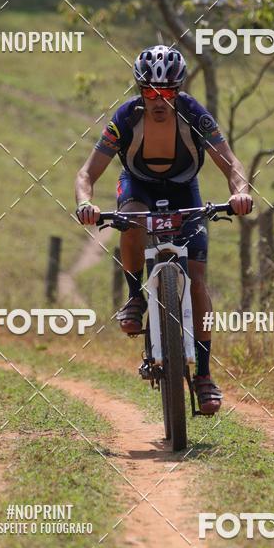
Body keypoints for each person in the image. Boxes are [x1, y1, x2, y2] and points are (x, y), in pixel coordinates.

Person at [75, 45, 253, 414]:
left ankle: (203, 374)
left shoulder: (193, 115)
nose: (159, 100)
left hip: (183, 189)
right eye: (151, 92)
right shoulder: (125, 118)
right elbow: (87, 174)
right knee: (131, 221)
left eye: (167, 92)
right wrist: (85, 203)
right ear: (140, 89)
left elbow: (231, 163)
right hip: (138, 186)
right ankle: (135, 296)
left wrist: (240, 193)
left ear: (178, 90)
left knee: (199, 279)